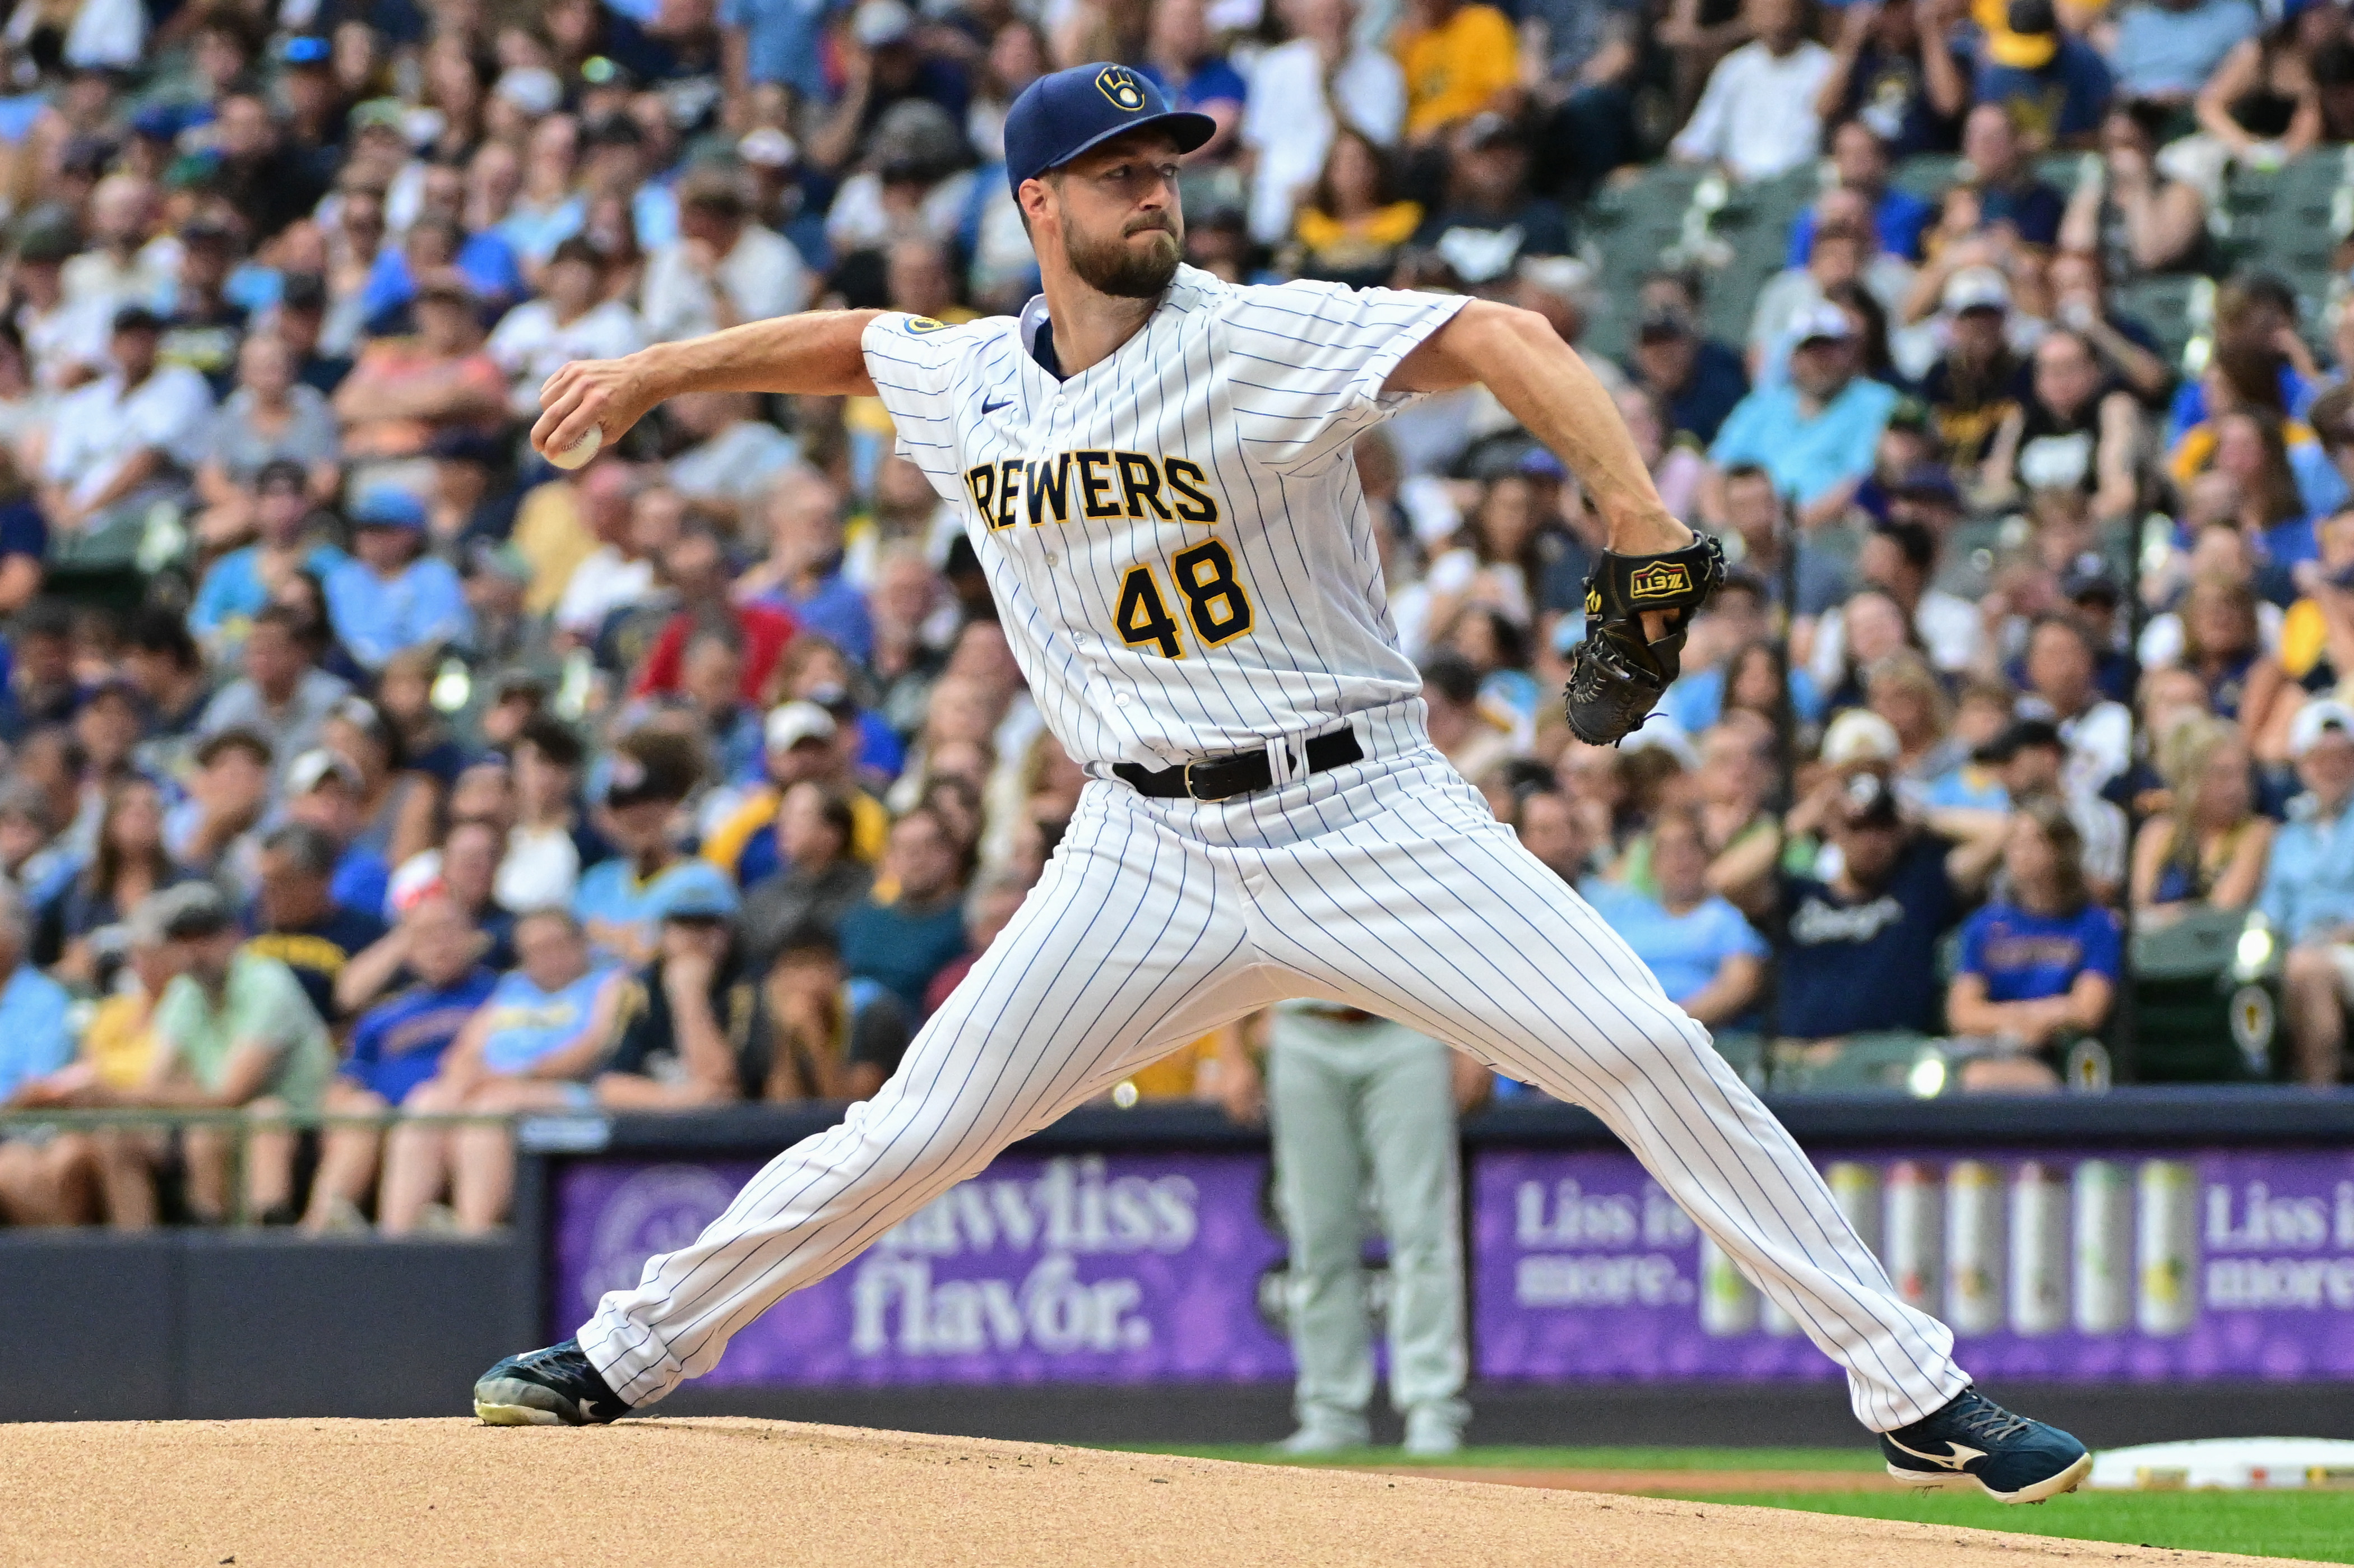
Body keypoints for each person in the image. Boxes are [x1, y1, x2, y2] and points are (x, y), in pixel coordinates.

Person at [472, 62, 2094, 1510]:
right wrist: (654, 371)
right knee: (914, 1127)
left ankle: (1911, 1389)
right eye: (1120, 172)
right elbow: (855, 345)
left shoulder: (1250, 337)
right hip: (1143, 846)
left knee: (1647, 1045)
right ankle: (627, 1348)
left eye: (1167, 165)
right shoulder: (970, 378)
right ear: (1038, 202)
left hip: (1365, 811)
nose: (1154, 191)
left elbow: (1509, 336)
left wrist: (1634, 515)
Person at [1214, 996, 1475, 1457]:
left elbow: (1460, 930)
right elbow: (1238, 941)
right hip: (1303, 1029)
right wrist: (1232, 1052)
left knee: (1424, 1233)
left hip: (1408, 1023)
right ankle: (1330, 1414)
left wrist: (1473, 1043)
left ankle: (1433, 1411)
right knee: (1317, 1240)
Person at [378, 907, 627, 1233]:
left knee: (490, 1111)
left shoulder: (609, 983)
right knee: (426, 1103)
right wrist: (459, 1083)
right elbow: (467, 1048)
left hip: (564, 1091)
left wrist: (511, 1078)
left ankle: (473, 1236)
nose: (547, 957)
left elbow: (592, 1049)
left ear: (580, 943)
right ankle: (396, 1236)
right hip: (494, 1087)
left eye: (555, 945)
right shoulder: (514, 986)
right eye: (534, 951)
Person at [133, 882, 337, 1224]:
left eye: (205, 936)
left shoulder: (266, 982)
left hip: (304, 1130)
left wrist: (123, 1095)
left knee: (262, 1115)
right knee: (181, 1133)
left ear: (234, 935)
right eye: (183, 939)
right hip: (222, 1128)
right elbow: (157, 1080)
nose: (195, 951)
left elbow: (231, 1094)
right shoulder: (184, 993)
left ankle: (268, 1236)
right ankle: (204, 1245)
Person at [303, 893, 498, 1232]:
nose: (438, 945)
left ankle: (399, 1240)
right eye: (424, 936)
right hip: (383, 1123)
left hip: (453, 1115)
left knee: (426, 1108)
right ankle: (318, 1233)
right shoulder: (384, 1016)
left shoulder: (502, 996)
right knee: (360, 1114)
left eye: (448, 931)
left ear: (473, 937)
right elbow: (343, 1085)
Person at [1945, 798, 2121, 1091]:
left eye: (2034, 843)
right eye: (2014, 843)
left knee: (1981, 1082)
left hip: (2060, 1057)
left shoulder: (2094, 925)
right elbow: (1962, 1012)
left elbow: (2088, 1008)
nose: (2021, 854)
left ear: (2060, 850)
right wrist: (2019, 1021)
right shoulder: (1985, 925)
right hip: (1993, 1048)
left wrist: (2041, 1022)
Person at [2264, 699, 2354, 1086]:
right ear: (2302, 766)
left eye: (2343, 758)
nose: (2332, 769)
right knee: (2294, 972)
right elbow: (2270, 913)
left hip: (2346, 949)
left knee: (2306, 970)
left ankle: (2320, 1102)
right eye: (2321, 759)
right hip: (2300, 954)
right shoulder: (2289, 837)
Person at [0, 883, 91, 1226]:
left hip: (26, 1132)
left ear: (12, 936)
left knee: (15, 1170)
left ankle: (65, 1271)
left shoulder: (46, 999)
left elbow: (40, 1086)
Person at [1668, 0, 1834, 183]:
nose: (1777, 20)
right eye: (1766, 10)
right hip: (1733, 185)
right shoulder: (1734, 67)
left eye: (1783, 10)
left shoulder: (1824, 66)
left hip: (1794, 186)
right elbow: (1699, 137)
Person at [2129, 715, 2271, 919]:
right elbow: (2142, 910)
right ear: (2189, 779)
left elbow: (2222, 911)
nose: (2236, 788)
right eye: (2223, 775)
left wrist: (2168, 916)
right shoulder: (2158, 832)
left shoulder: (2257, 833)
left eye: (2243, 774)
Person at [836, 804, 969, 1018]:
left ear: (951, 854)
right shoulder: (861, 920)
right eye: (904, 849)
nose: (916, 858)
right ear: (889, 858)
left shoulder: (968, 925)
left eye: (928, 846)